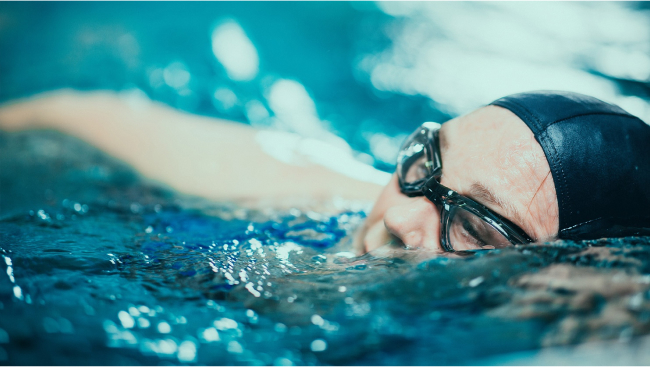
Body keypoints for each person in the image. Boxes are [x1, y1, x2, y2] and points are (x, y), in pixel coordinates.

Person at [1, 90, 649, 257]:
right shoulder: (319, 195)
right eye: (426, 160)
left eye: (476, 222)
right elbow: (72, 114)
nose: (396, 213)